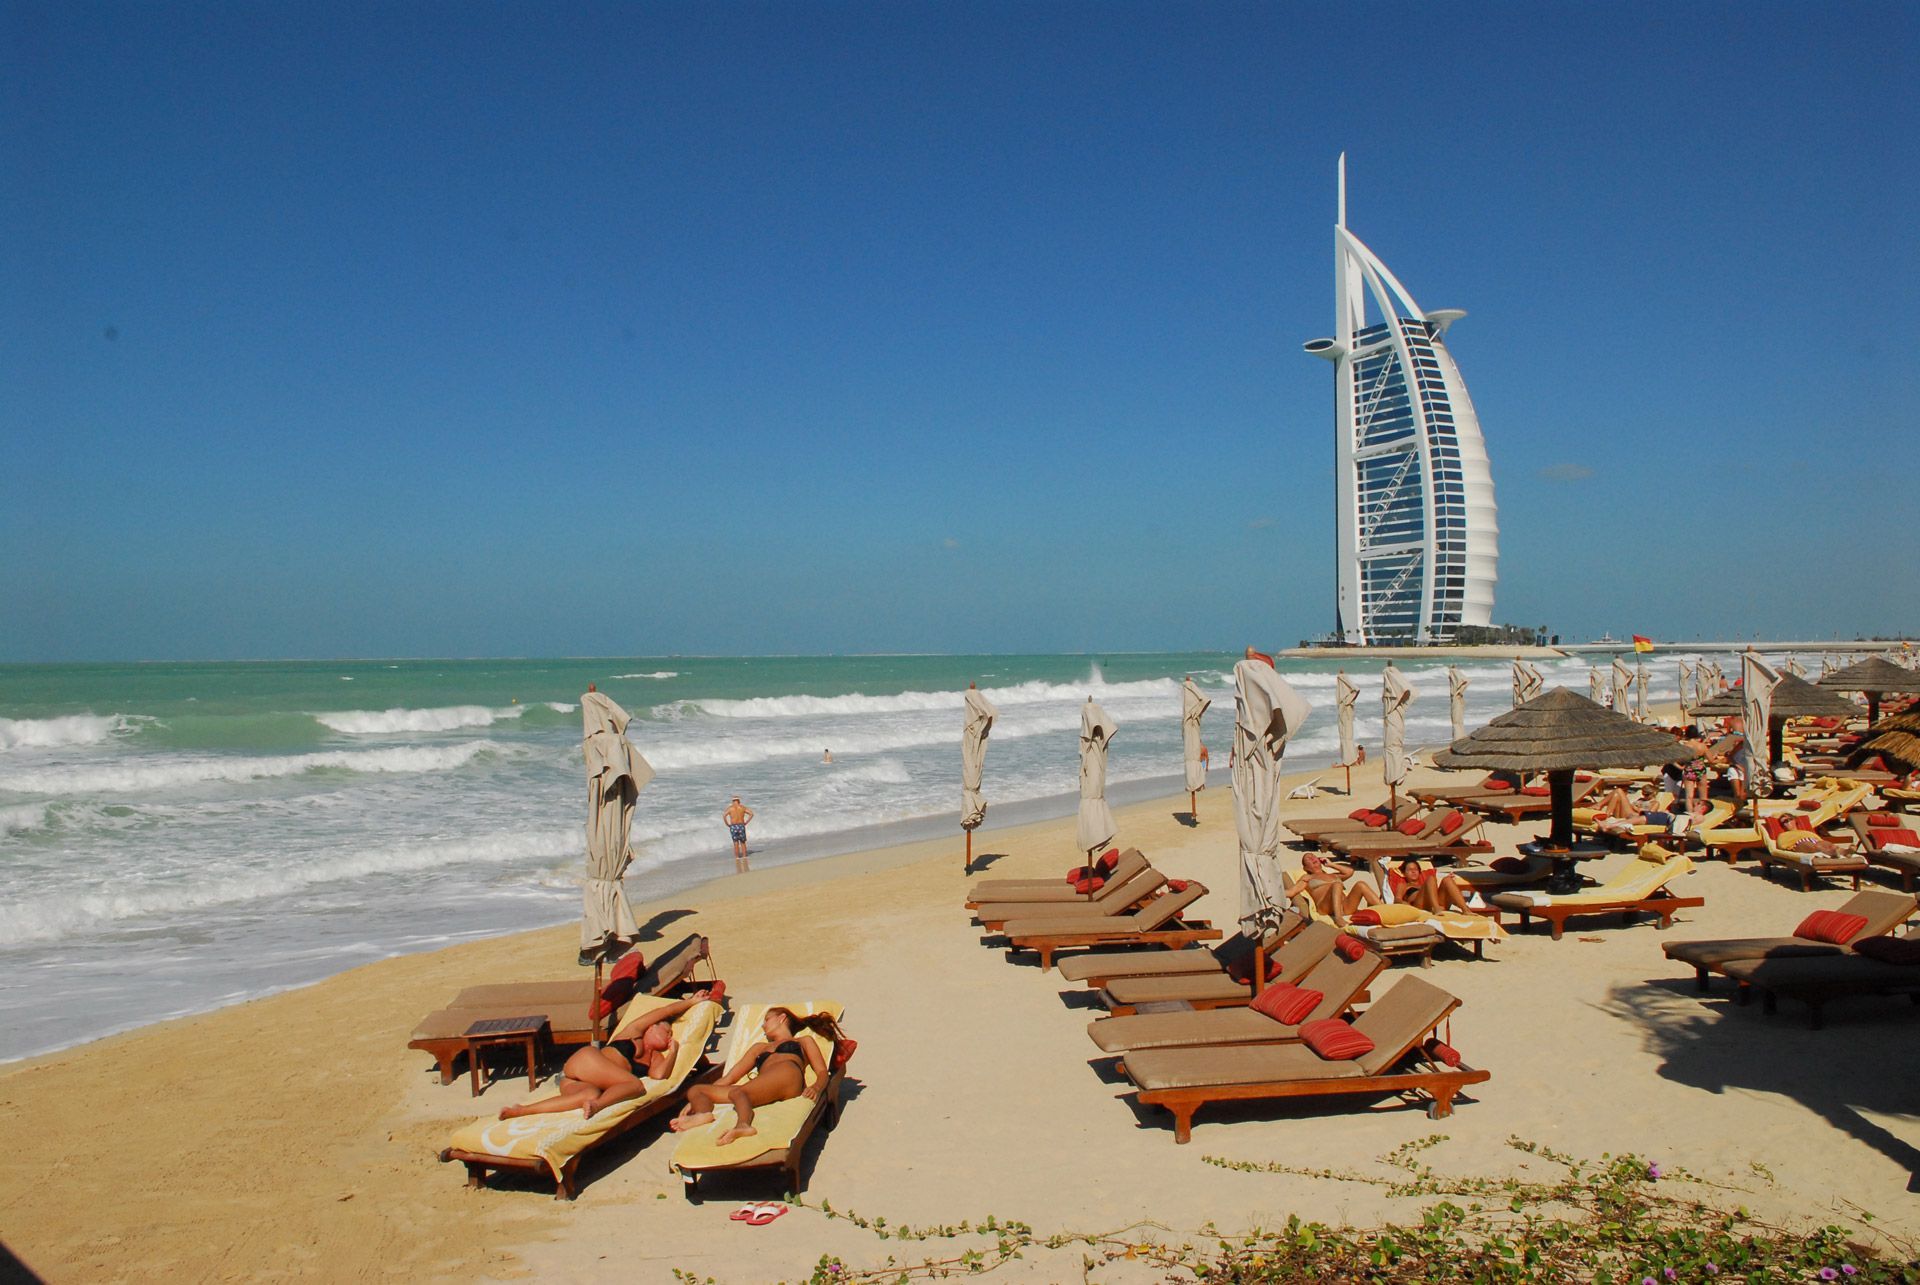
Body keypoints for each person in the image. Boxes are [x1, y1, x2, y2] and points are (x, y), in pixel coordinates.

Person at [497, 991, 715, 1121]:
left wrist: (674, 1051)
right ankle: (599, 1106)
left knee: (588, 1095)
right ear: (651, 1028)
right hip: (585, 1061)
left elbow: (660, 1076)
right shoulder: (634, 1032)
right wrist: (691, 1002)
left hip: (573, 1081)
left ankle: (522, 1111)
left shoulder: (655, 1057)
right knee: (635, 1084)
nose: (669, 1036)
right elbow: (664, 1012)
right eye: (666, 1031)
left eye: (670, 1035)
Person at [669, 1007, 846, 1147]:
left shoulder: (803, 1041)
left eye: (766, 1020)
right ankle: (702, 1113)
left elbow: (822, 1072)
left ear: (782, 1018)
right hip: (765, 1083)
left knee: (738, 1093)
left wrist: (816, 1087)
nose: (762, 1026)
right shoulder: (758, 1048)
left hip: (789, 1076)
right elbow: (729, 1078)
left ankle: (744, 1125)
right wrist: (694, 1100)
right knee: (697, 1089)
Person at [1286, 851, 1382, 926]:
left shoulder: (1333, 875)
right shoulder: (1307, 877)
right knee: (1336, 885)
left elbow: (1350, 871)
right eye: (1308, 859)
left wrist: (1331, 864)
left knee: (1361, 884)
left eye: (1313, 856)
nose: (1312, 858)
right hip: (1325, 908)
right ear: (1306, 868)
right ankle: (1338, 919)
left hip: (1345, 906)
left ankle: (1384, 910)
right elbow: (1291, 892)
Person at [1390, 858, 1476, 914]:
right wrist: (1405, 905)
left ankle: (1465, 909)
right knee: (1431, 878)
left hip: (1439, 903)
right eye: (1410, 870)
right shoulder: (1403, 885)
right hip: (1420, 906)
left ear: (1419, 872)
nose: (1413, 872)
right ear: (1404, 873)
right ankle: (1435, 908)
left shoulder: (1425, 883)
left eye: (1416, 869)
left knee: (1447, 880)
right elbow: (1397, 899)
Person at [724, 797, 755, 872]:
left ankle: (737, 857)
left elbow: (724, 816)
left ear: (733, 801)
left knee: (735, 842)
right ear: (739, 801)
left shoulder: (730, 808)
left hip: (733, 826)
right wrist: (746, 822)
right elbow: (751, 814)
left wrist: (727, 824)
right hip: (741, 825)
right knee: (743, 842)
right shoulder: (742, 807)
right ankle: (744, 856)